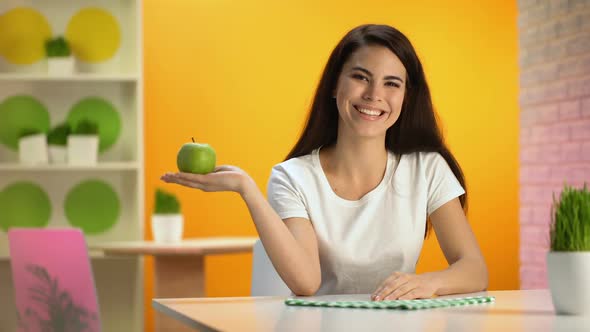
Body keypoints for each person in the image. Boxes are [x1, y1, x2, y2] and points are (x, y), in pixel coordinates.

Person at [161, 24, 488, 300]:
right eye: (361, 77)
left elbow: (474, 269)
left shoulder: (427, 169)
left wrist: (426, 283)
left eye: (392, 83)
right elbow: (306, 283)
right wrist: (246, 189)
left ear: (406, 96)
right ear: (335, 85)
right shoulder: (292, 177)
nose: (374, 94)